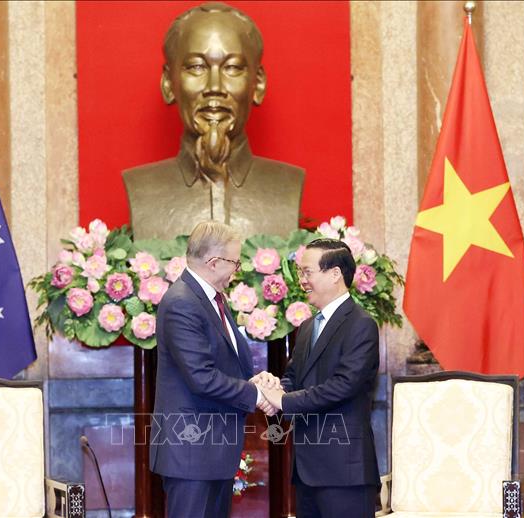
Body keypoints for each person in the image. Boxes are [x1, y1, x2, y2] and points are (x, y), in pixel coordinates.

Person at [123, 2, 304, 240]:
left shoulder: (287, 185)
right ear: (168, 83)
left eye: (232, 68)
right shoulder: (142, 187)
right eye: (197, 67)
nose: (214, 87)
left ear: (258, 84)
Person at [150, 220, 277, 518]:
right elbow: (201, 377)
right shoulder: (182, 302)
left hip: (211, 451)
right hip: (191, 451)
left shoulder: (211, 299)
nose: (238, 269)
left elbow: (222, 363)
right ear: (214, 262)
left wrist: (255, 380)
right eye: (235, 262)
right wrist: (256, 394)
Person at [259, 238, 381, 518]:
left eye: (307, 272)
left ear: (335, 273)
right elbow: (293, 379)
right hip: (306, 470)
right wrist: (270, 390)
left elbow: (344, 385)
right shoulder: (306, 327)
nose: (302, 280)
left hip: (345, 471)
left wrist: (284, 401)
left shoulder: (361, 324)